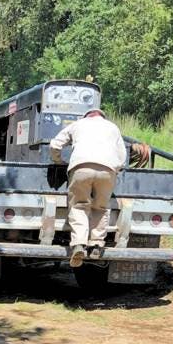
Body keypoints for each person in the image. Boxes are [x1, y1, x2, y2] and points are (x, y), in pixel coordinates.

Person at [49, 109, 127, 268]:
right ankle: (96, 245)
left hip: (80, 168)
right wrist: (115, 169)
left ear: (86, 116)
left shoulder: (77, 124)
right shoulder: (113, 127)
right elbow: (122, 157)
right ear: (102, 117)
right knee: (101, 207)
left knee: (79, 206)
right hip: (108, 170)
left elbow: (55, 144)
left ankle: (79, 244)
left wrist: (58, 161)